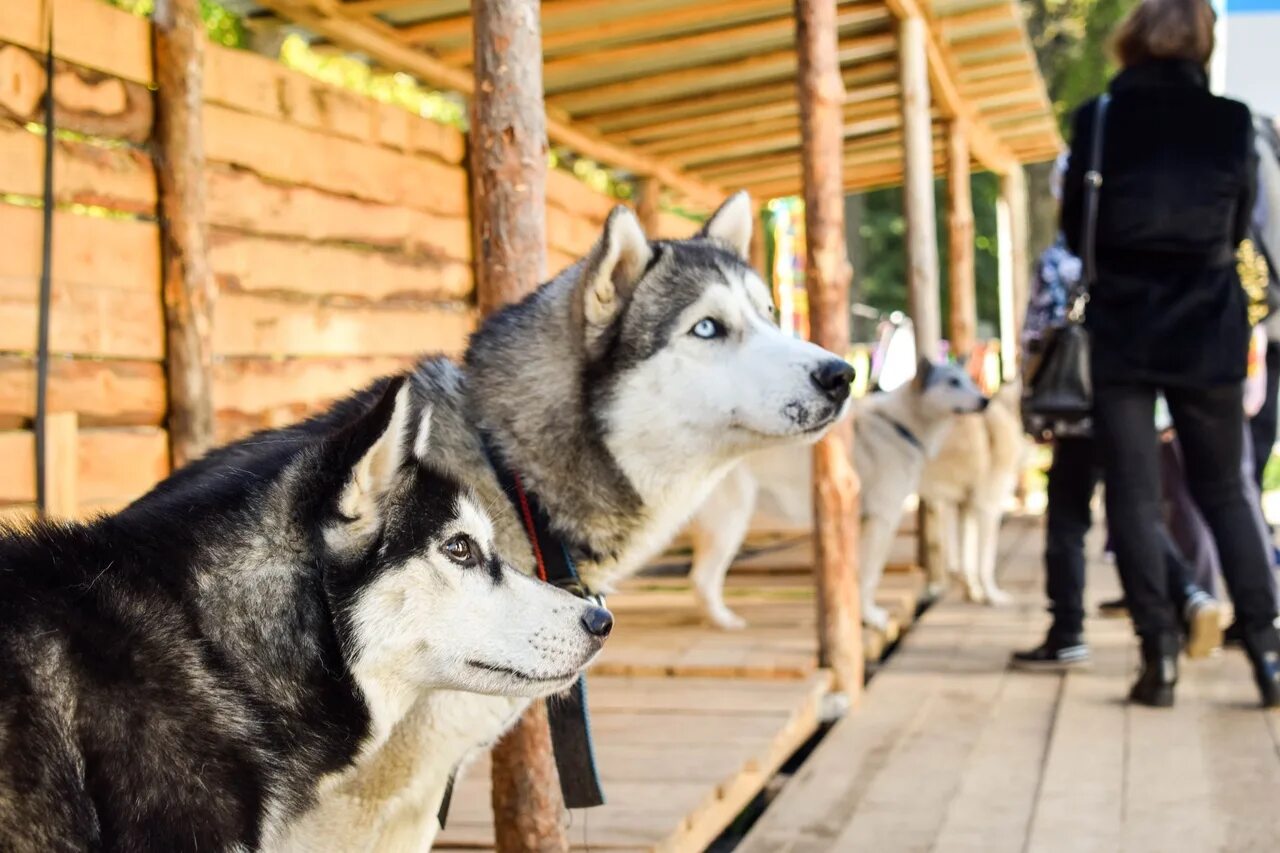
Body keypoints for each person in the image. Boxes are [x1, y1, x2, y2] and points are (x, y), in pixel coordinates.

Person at [1061, 0, 1280, 707]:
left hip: (1123, 325)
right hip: (1208, 322)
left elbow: (1074, 231)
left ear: (1132, 37)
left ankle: (1159, 656)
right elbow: (1241, 219)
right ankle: (1269, 651)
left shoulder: (1098, 119)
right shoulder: (1232, 121)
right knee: (1224, 488)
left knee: (1132, 493)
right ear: (1202, 41)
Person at [1011, 158, 1221, 670]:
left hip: (1076, 411)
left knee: (1066, 520)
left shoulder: (1061, 259)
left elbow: (1037, 337)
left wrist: (1031, 403)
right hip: (1135, 409)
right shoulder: (1144, 255)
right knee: (1137, 514)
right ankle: (1190, 593)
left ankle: (1067, 632)